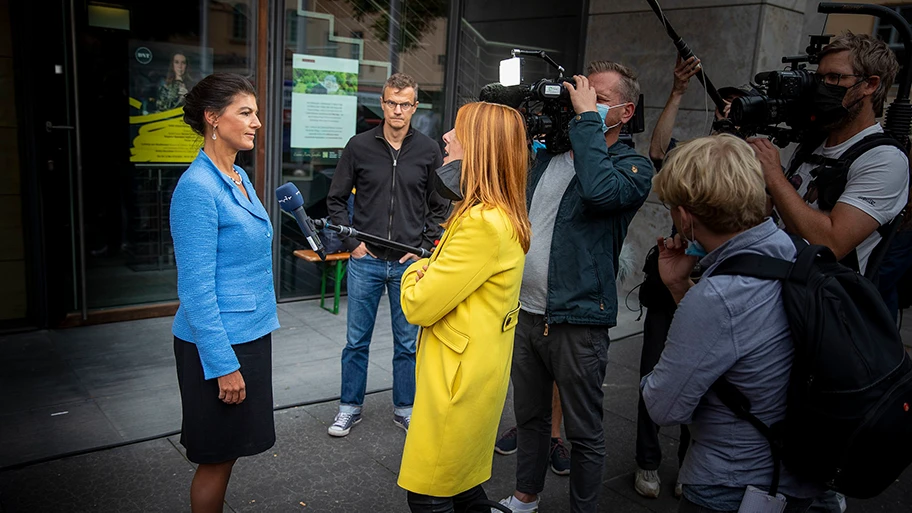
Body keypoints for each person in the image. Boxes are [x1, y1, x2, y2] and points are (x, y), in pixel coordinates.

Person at [498, 61, 654, 513]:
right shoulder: (547, 157)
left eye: (599, 99)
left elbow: (600, 193)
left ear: (626, 113)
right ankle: (526, 496)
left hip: (579, 320)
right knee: (529, 418)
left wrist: (587, 120)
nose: (584, 105)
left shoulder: (633, 166)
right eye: (580, 96)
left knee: (584, 433)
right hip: (526, 313)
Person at [642, 134, 828, 513]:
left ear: (687, 218)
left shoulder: (719, 297)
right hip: (801, 471)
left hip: (730, 484)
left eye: (672, 208)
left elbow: (664, 407)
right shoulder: (797, 250)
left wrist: (652, 380)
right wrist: (680, 286)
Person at [396, 101, 531, 513]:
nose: (447, 138)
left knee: (430, 492)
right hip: (472, 372)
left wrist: (414, 270)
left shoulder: (482, 223)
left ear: (482, 148)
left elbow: (419, 305)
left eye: (458, 133)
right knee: (460, 484)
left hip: (457, 380)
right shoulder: (492, 214)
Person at [636, 54, 760, 499]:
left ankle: (689, 462)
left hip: (726, 480)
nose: (725, 112)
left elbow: (667, 398)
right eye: (720, 105)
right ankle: (648, 462)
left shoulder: (721, 292)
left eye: (734, 107)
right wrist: (676, 91)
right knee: (659, 371)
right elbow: (657, 150)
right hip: (674, 291)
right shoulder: (689, 159)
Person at [170, 73, 278, 513]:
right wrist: (223, 366)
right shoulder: (197, 189)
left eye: (256, 113)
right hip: (218, 346)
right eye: (245, 112)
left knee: (229, 452)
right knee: (215, 458)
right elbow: (195, 291)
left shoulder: (236, 176)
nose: (256, 122)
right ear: (213, 118)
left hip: (247, 334)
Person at [326, 73, 450, 437]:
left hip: (408, 264)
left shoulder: (428, 150)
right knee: (356, 342)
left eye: (405, 104)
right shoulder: (359, 146)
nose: (397, 110)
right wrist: (353, 245)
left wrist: (424, 249)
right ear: (382, 104)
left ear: (414, 107)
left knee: (407, 343)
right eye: (391, 103)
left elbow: (439, 204)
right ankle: (349, 408)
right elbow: (335, 200)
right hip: (365, 260)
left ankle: (405, 408)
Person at [748, 32, 909, 279]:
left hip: (817, 301)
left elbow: (831, 243)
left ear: (870, 84)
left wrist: (774, 175)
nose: (823, 87)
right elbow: (777, 214)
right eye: (819, 78)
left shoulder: (885, 159)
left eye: (835, 77)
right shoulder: (814, 143)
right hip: (774, 280)